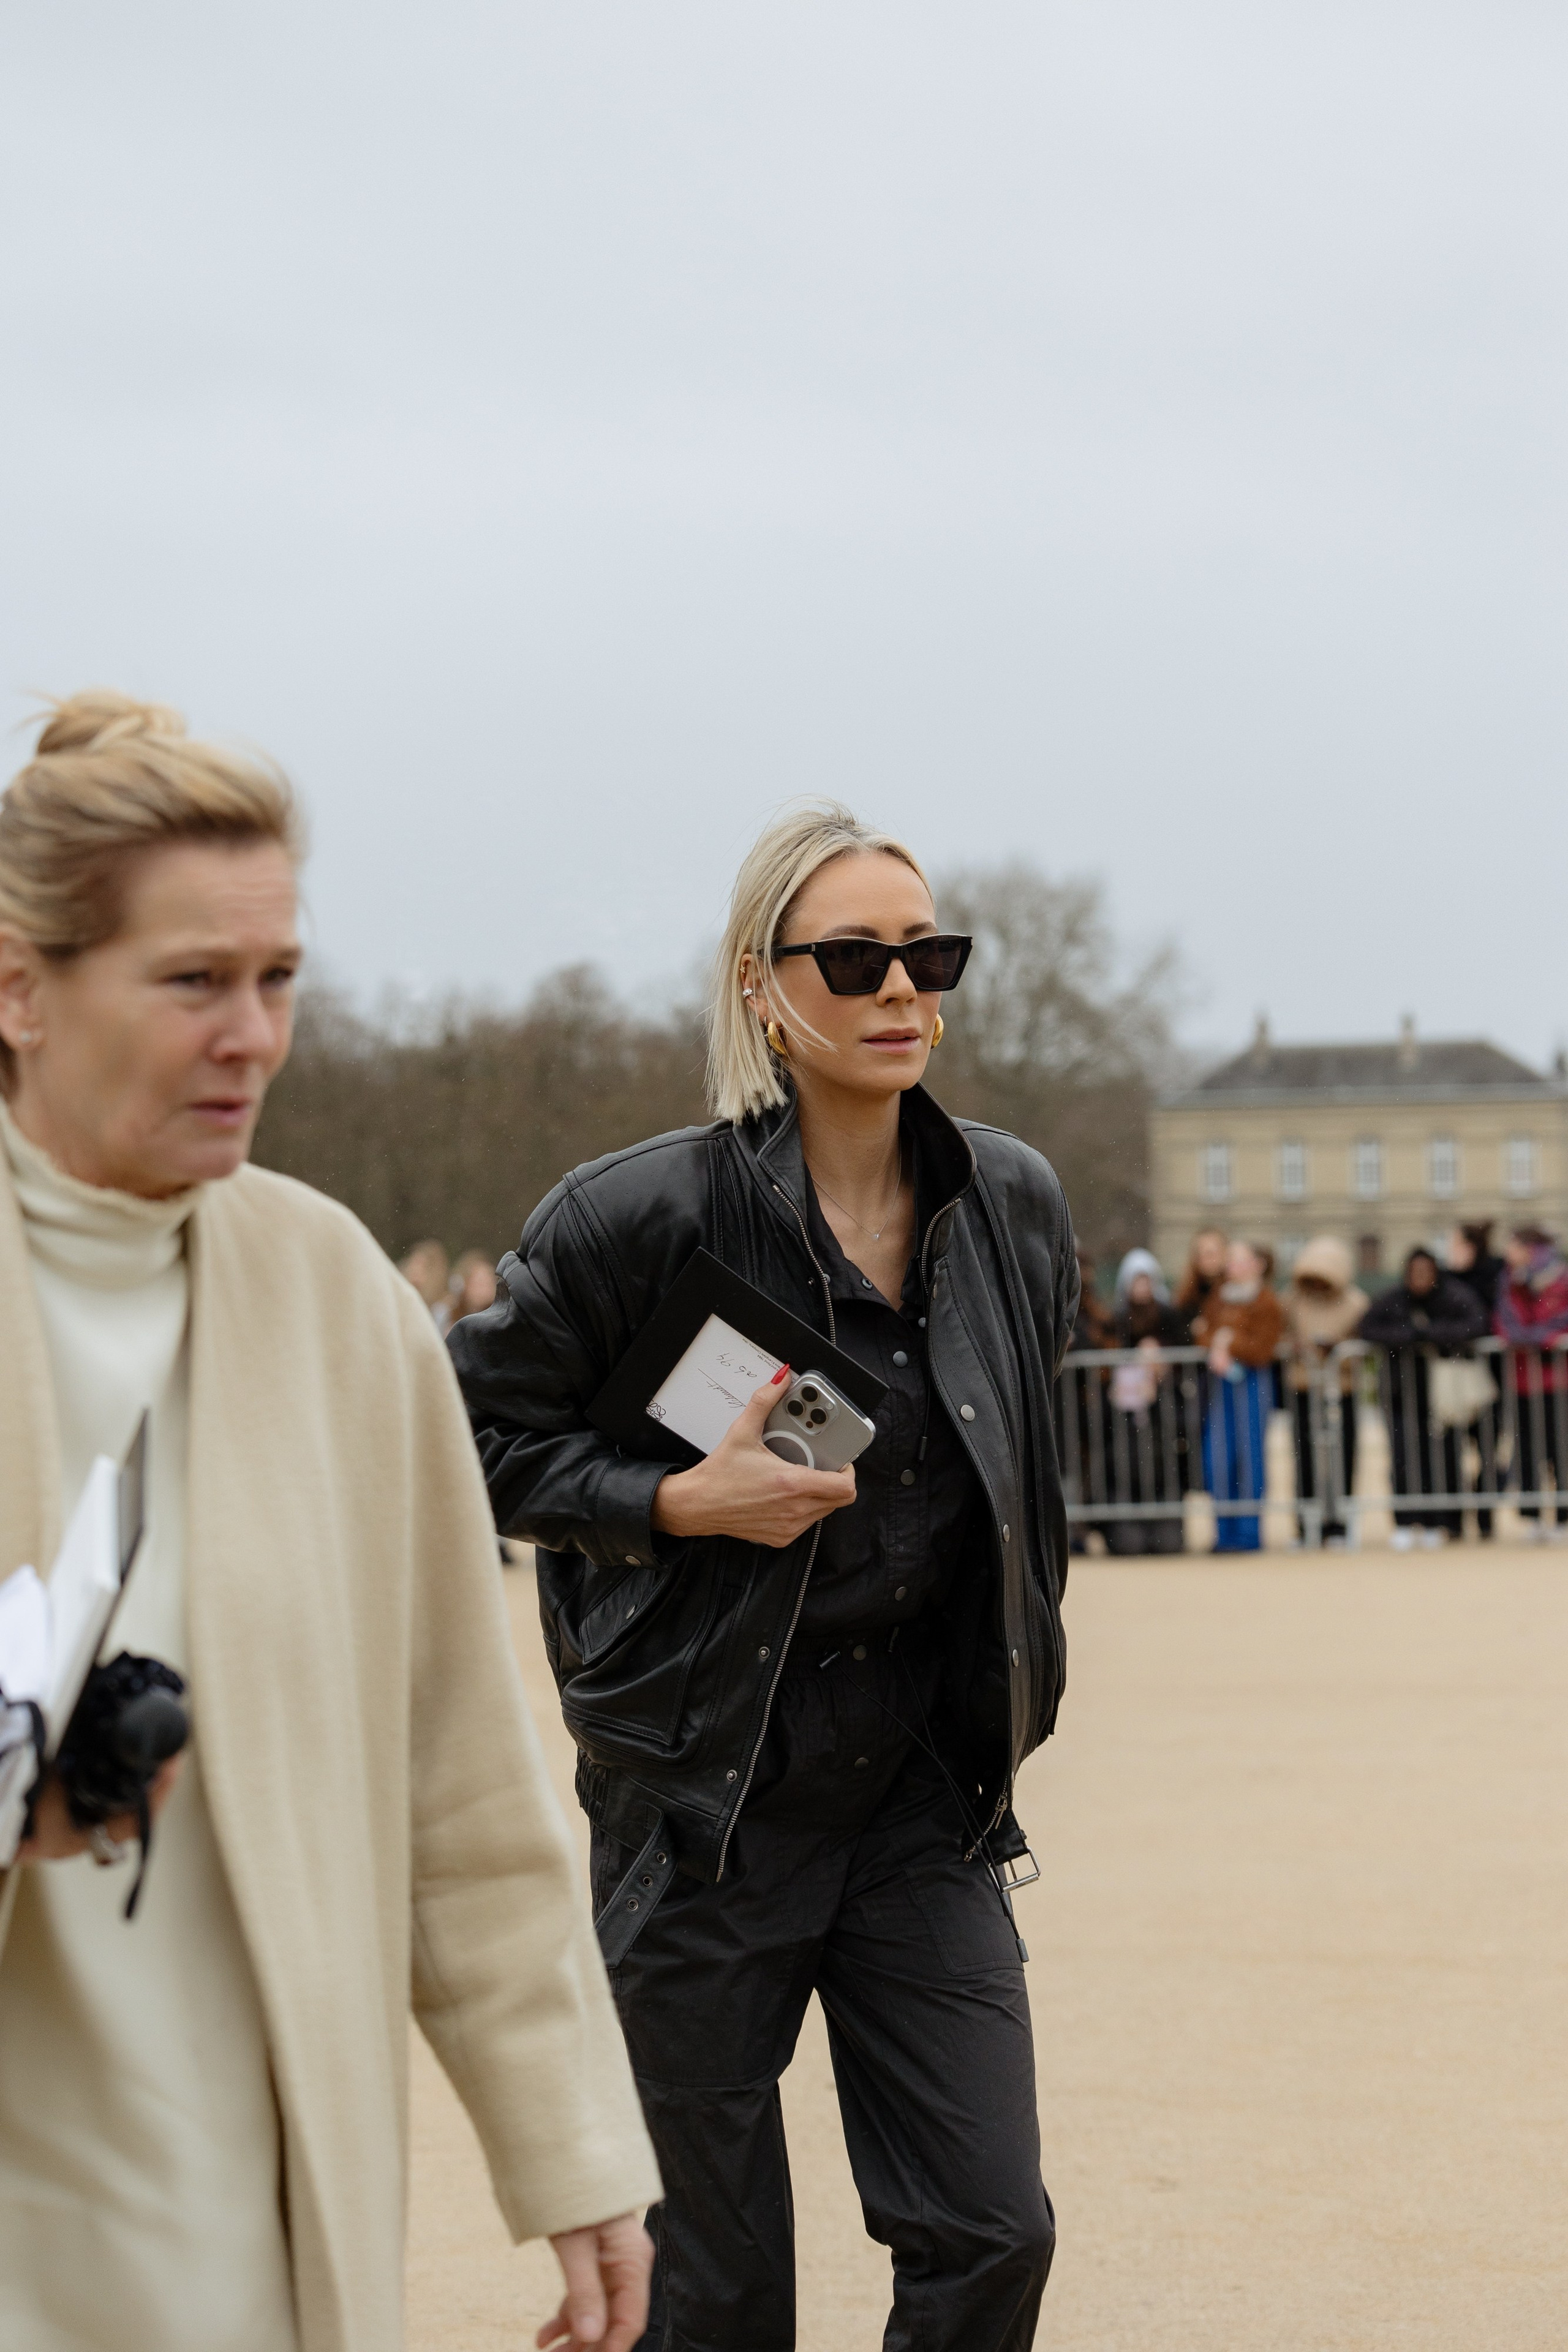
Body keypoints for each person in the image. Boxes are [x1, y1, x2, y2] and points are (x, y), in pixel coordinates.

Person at [0, 695, 658, 2352]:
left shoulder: (339, 1297)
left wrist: (571, 2146)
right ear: (19, 990)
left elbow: (463, 1775)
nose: (253, 1038)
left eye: (278, 980)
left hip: (253, 2226)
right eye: (192, 984)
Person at [452, 803, 1077, 2352]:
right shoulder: (631, 1219)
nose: (898, 991)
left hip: (921, 1799)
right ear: (759, 983)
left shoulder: (1011, 1205)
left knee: (991, 2230)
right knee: (710, 2299)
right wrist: (675, 1496)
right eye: (854, 957)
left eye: (927, 955)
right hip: (700, 1808)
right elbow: (466, 1437)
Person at [1359, 1248, 1486, 1546]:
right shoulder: (1392, 1299)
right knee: (1403, 1458)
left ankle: (1445, 1521)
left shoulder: (1454, 1296)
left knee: (1444, 1458)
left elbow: (1477, 1324)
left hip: (1444, 1395)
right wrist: (1410, 1336)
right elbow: (1368, 1328)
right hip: (1401, 1392)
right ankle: (1406, 1520)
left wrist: (1431, 1333)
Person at [1192, 1240, 1283, 1552]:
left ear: (1257, 1265)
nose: (1232, 1267)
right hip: (1223, 1385)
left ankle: (1248, 1533)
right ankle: (1223, 1532)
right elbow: (1202, 1333)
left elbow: (1263, 1348)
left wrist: (1227, 1344)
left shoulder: (1267, 1301)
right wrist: (1218, 1341)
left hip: (1253, 1383)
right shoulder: (1219, 1297)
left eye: (1239, 1261)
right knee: (1219, 1456)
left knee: (1251, 1457)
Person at [1281, 1237, 1368, 1546]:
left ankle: (1339, 1523)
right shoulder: (1292, 1301)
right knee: (1304, 1457)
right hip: (1304, 1388)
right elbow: (1283, 1337)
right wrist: (1295, 1349)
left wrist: (1340, 1350)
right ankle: (1306, 1525)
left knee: (1343, 1457)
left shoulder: (1356, 1303)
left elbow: (1363, 1346)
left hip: (1342, 1389)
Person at [1102, 1250, 1188, 1556]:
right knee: (1129, 1544)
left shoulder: (1168, 1317)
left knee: (1169, 1544)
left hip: (1161, 1427)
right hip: (1125, 1426)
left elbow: (1183, 1354)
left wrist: (1160, 1368)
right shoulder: (1115, 1320)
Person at [1493, 1226, 1568, 1535]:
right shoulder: (1511, 1280)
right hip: (1523, 1379)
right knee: (1526, 1449)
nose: (1508, 1253)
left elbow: (1562, 1318)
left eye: (1513, 1245)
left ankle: (1564, 1517)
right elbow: (1505, 1319)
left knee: (1561, 1448)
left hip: (1558, 1380)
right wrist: (1527, 1338)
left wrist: (1541, 1337)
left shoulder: (1561, 1278)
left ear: (1529, 1248)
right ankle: (1532, 1516)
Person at [1447, 1220, 1504, 1319]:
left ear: (1471, 1248)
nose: (1451, 1250)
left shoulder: (1494, 1275)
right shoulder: (1448, 1278)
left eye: (1456, 1244)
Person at [1175, 1226, 1227, 1326]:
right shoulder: (1189, 1294)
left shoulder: (1234, 1290)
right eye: (1200, 1254)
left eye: (1210, 1253)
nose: (1205, 1259)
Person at [398, 1235, 451, 1327]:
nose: (415, 1272)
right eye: (413, 1265)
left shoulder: (442, 1310)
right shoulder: (400, 1300)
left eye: (423, 1268)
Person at [449, 1245, 500, 1323]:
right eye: (479, 1283)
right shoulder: (448, 1315)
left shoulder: (502, 1317)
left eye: (489, 1282)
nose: (486, 1289)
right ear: (464, 1285)